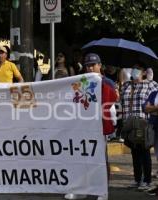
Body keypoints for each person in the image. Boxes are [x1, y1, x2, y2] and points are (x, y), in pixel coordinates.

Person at [65, 53, 118, 200]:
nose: (90, 68)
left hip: (100, 125)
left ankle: (102, 190)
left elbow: (113, 100)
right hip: (83, 125)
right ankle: (81, 188)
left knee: (101, 157)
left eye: (93, 65)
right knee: (82, 155)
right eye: (87, 65)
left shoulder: (107, 82)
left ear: (99, 66)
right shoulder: (80, 81)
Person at [121, 62, 157, 191]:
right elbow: (122, 101)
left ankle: (147, 181)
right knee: (134, 152)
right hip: (129, 123)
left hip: (144, 122)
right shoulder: (126, 85)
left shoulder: (150, 85)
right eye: (134, 68)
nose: (135, 70)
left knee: (144, 151)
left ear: (144, 72)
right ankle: (137, 179)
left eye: (138, 69)